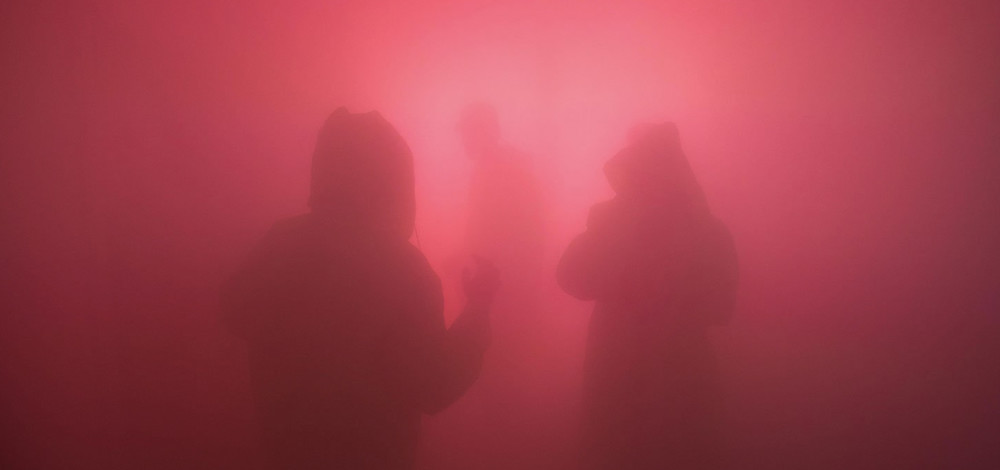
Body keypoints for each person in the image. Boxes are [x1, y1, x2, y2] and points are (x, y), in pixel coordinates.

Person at [221, 108, 499, 470]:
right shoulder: (403, 268)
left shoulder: (279, 244)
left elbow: (233, 311)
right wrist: (477, 310)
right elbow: (434, 384)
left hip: (286, 451)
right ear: (393, 181)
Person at [557, 123, 738, 470]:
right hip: (649, 372)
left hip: (652, 372)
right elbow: (569, 275)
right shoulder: (705, 229)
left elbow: (720, 305)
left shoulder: (696, 230)